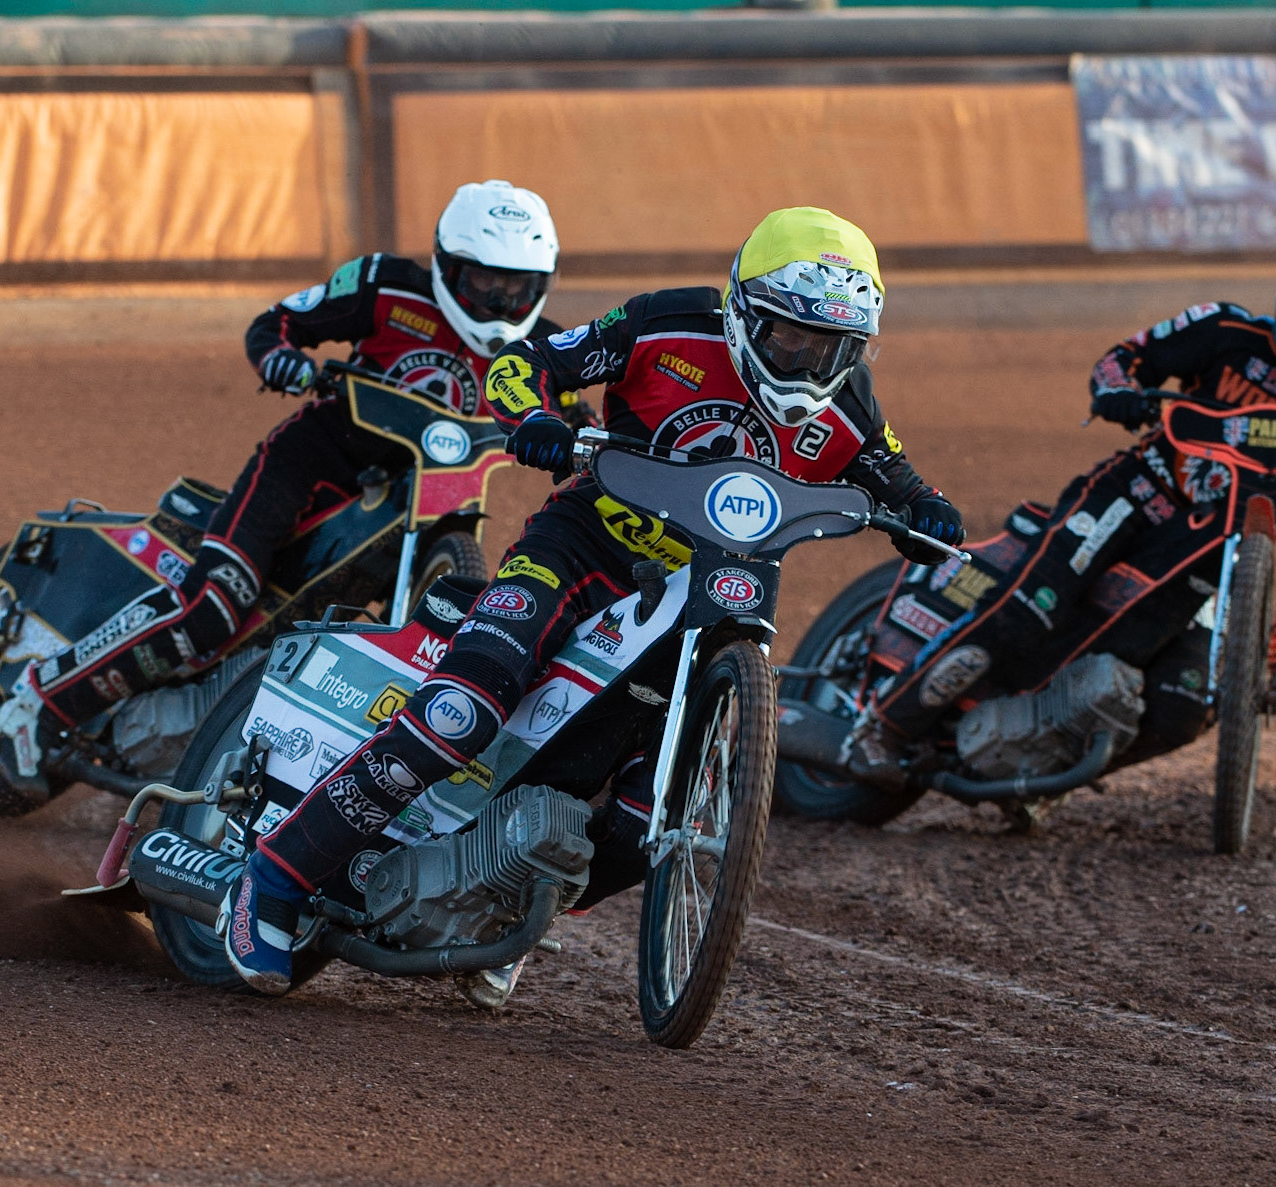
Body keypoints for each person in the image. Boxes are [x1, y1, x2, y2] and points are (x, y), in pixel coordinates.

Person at [222, 206, 967, 997]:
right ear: (746, 310)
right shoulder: (664, 322)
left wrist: (929, 510)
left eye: (833, 347)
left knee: (641, 823)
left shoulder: (849, 399)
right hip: (582, 548)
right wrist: (536, 417)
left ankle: (505, 907)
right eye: (791, 337)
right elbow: (526, 363)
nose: (812, 360)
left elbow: (894, 471)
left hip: (712, 586)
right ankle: (275, 875)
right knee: (463, 709)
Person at [0, 180, 565, 792]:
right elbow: (279, 321)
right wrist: (281, 359)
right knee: (213, 606)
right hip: (309, 466)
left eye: (518, 287)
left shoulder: (545, 349)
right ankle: (36, 703)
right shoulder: (385, 286)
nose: (502, 300)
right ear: (448, 268)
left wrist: (586, 442)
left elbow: (579, 414)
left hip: (421, 502)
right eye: (485, 283)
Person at [842, 231, 1276, 790]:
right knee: (1031, 608)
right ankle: (886, 726)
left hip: (1219, 555)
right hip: (1139, 495)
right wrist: (1120, 392)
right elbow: (1124, 359)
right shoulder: (1224, 330)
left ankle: (1041, 769)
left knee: (1186, 704)